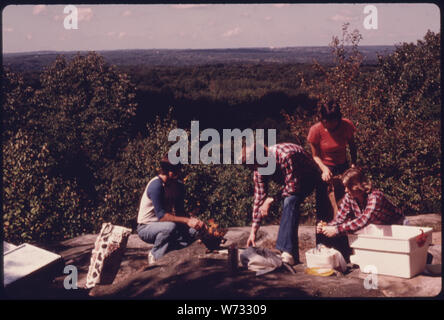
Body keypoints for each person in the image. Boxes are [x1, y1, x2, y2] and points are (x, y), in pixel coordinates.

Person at [242, 142, 326, 265]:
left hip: (309, 177)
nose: (257, 170)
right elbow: (259, 198)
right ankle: (293, 256)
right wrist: (253, 232)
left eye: (257, 165)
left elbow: (293, 188)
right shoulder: (258, 168)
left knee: (290, 200)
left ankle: (286, 251)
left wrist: (271, 199)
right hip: (291, 180)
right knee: (288, 201)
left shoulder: (286, 156)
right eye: (253, 167)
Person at [318, 167, 405, 257]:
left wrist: (336, 230)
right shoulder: (349, 196)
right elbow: (340, 217)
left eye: (348, 187)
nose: (346, 190)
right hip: (378, 228)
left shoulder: (375, 197)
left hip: (396, 227)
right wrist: (326, 226)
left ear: (357, 186)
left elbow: (362, 221)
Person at [136, 155, 206, 264]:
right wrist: (187, 221)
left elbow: (180, 212)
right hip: (146, 227)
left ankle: (168, 249)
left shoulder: (178, 186)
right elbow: (162, 216)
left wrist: (194, 222)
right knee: (170, 227)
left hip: (165, 224)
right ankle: (155, 255)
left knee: (195, 232)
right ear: (170, 172)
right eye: (177, 171)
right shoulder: (156, 186)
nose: (180, 174)